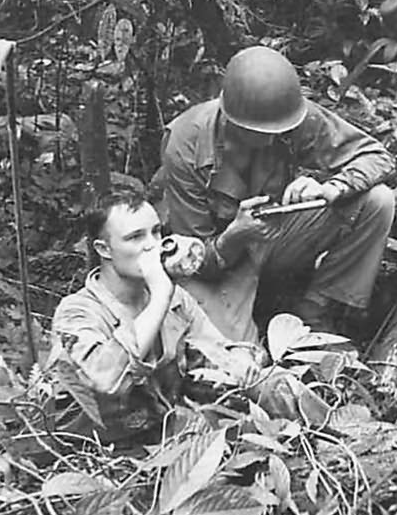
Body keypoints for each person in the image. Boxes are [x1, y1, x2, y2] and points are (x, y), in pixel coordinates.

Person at [159, 45, 396, 342]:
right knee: (228, 359)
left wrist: (330, 188)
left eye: (280, 129)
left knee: (377, 201)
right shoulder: (185, 145)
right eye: (261, 131)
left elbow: (377, 157)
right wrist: (235, 235)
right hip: (224, 265)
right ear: (232, 120)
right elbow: (194, 261)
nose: (274, 137)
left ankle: (315, 310)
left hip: (277, 240)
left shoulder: (289, 117)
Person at [48, 185, 256, 438]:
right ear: (104, 249)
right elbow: (107, 379)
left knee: (274, 384)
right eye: (135, 237)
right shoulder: (77, 312)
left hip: (170, 431)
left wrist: (243, 362)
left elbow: (214, 354)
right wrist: (159, 297)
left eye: (156, 232)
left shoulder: (175, 299)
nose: (152, 246)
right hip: (104, 452)